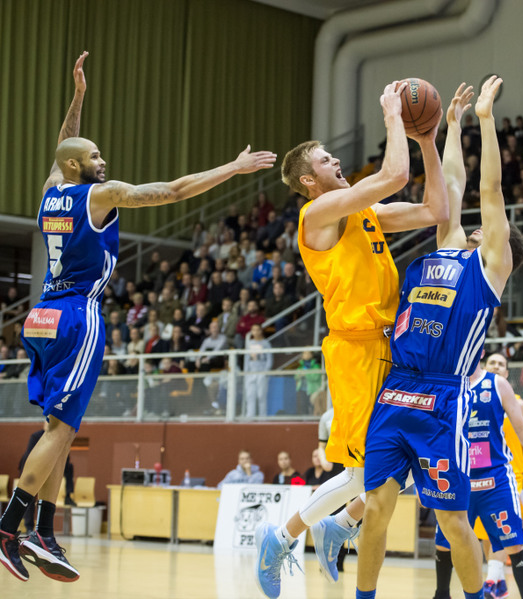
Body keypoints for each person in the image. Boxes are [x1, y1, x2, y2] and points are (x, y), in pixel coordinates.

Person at [0, 52, 275, 584]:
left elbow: (63, 151)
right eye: (96, 155)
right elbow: (172, 191)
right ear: (84, 167)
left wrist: (78, 97)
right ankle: (11, 526)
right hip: (78, 313)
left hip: (40, 315)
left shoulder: (50, 193)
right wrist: (234, 169)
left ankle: (44, 531)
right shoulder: (100, 194)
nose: (104, 159)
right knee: (61, 433)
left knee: (60, 428)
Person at [254, 79, 449, 598]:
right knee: (368, 467)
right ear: (306, 178)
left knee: (405, 463)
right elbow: (394, 175)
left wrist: (427, 137)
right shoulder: (315, 216)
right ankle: (282, 536)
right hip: (357, 350)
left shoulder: (367, 216)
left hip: (393, 347)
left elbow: (436, 212)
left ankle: (340, 524)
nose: (336, 161)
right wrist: (392, 113)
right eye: (325, 160)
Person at [355, 76, 523, 599]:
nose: (475, 225)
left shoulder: (490, 266)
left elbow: (488, 191)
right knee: (378, 512)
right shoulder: (449, 245)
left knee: (452, 524)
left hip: (439, 398)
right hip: (395, 389)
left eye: (486, 228)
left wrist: (485, 121)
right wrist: (445, 127)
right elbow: (450, 188)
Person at [433, 352, 523, 599]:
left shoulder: (496, 384)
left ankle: (500, 584)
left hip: (495, 478)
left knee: (513, 542)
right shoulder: (447, 382)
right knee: (444, 542)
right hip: (458, 479)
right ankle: (442, 593)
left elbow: (521, 427)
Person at [243, 324, 272, 418]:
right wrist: (246, 371)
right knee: (250, 395)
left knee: (261, 395)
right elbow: (247, 358)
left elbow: (269, 358)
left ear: (261, 331)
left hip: (262, 372)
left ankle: (262, 417)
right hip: (251, 373)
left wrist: (266, 371)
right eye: (253, 330)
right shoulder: (249, 343)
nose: (255, 332)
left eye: (257, 330)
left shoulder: (266, 343)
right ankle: (249, 416)